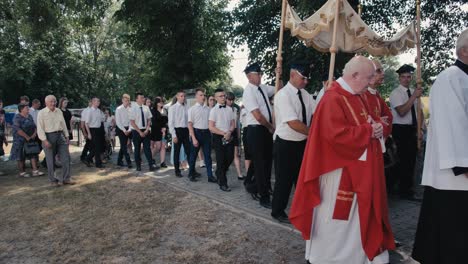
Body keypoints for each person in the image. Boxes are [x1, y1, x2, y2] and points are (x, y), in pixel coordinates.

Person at [289, 56, 395, 264]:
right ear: (354, 76)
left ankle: (355, 255)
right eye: (368, 78)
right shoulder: (333, 98)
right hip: (337, 172)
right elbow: (335, 135)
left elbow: (366, 122)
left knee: (354, 220)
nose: (370, 83)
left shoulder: (357, 95)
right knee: (336, 219)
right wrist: (368, 130)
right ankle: (330, 257)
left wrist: (374, 126)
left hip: (356, 168)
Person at [411, 29, 468, 264]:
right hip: (455, 175)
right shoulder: (451, 78)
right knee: (451, 237)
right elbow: (452, 124)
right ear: (465, 51)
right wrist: (462, 165)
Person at [271, 63, 316, 224]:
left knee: (302, 179)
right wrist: (315, 134)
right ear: (292, 75)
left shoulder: (306, 95)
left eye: (307, 79)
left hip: (302, 142)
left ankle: (302, 210)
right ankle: (277, 211)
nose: (306, 81)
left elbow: (316, 112)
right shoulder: (283, 95)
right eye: (303, 78)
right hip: (285, 143)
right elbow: (293, 123)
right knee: (284, 180)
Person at [242, 62, 277, 208]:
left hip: (265, 129)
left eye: (261, 73)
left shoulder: (262, 88)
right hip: (256, 129)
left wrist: (278, 74)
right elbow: (257, 115)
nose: (261, 76)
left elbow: (278, 89)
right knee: (261, 164)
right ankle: (263, 196)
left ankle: (254, 184)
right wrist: (271, 127)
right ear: (250, 77)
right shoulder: (248, 91)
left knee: (267, 161)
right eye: (258, 74)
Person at [389, 64, 422, 200]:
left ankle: (406, 188)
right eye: (403, 77)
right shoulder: (396, 93)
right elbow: (402, 112)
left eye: (409, 77)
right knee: (403, 160)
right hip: (400, 129)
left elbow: (419, 112)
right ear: (399, 78)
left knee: (411, 159)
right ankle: (403, 190)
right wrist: (413, 97)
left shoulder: (414, 92)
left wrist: (420, 129)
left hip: (412, 128)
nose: (406, 79)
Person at [37, 95, 72, 186]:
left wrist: (67, 136)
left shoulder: (59, 111)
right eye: (51, 102)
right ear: (46, 103)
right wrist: (45, 140)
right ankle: (53, 180)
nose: (53, 103)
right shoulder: (42, 113)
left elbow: (63, 124)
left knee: (66, 157)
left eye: (54, 101)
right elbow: (40, 128)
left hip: (60, 135)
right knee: (50, 160)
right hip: (48, 137)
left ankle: (66, 178)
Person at [209, 88, 235, 191]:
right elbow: (211, 127)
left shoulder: (229, 109)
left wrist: (229, 132)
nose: (223, 97)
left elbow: (233, 124)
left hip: (228, 135)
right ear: (216, 98)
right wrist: (223, 133)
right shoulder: (213, 111)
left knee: (230, 158)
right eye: (220, 96)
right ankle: (223, 183)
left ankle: (219, 172)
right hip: (218, 137)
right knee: (220, 160)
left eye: (224, 96)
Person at [188, 88, 215, 182]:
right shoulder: (192, 109)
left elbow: (210, 123)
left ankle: (210, 176)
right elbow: (190, 125)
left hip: (206, 133)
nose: (203, 97)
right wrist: (194, 138)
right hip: (196, 133)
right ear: (196, 96)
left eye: (203, 95)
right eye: (200, 95)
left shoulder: (208, 109)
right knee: (193, 156)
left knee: (208, 156)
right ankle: (191, 174)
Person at [10, 103, 44, 177]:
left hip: (31, 139)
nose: (28, 109)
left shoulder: (30, 116)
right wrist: (26, 137)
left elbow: (34, 126)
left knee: (33, 154)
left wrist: (34, 134)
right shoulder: (17, 117)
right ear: (21, 109)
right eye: (27, 108)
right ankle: (22, 172)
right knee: (20, 156)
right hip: (20, 140)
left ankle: (35, 171)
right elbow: (18, 129)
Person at [129, 92, 157, 172]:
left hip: (145, 130)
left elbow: (149, 119)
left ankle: (151, 165)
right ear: (137, 99)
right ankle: (138, 166)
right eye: (141, 97)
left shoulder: (146, 108)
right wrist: (140, 132)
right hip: (136, 131)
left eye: (143, 97)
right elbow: (132, 122)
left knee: (147, 149)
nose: (143, 99)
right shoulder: (132, 109)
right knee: (137, 149)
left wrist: (147, 129)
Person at [168, 90, 191, 177]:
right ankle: (177, 171)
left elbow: (189, 120)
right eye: (181, 96)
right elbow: (171, 123)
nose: (183, 97)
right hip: (177, 131)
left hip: (186, 131)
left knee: (189, 151)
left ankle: (192, 170)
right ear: (177, 97)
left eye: (184, 96)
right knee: (176, 152)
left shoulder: (187, 107)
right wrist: (173, 135)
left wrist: (190, 132)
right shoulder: (172, 108)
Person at [226, 92, 244, 180]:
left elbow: (237, 123)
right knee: (226, 154)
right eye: (229, 100)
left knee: (236, 154)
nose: (231, 101)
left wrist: (238, 136)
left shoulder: (236, 108)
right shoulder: (223, 108)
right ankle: (222, 170)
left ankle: (239, 174)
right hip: (226, 132)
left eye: (232, 100)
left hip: (234, 133)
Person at [85, 97, 106, 169]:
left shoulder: (99, 111)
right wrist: (89, 133)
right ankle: (98, 163)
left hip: (98, 130)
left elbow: (103, 119)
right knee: (97, 147)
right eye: (97, 101)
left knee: (98, 147)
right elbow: (86, 123)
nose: (98, 102)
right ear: (93, 102)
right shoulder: (89, 111)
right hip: (92, 130)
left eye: (99, 101)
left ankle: (88, 158)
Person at [115, 94, 133, 168]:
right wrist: (124, 130)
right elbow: (118, 122)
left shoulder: (130, 109)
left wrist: (129, 129)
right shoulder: (118, 109)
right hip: (120, 129)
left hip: (128, 128)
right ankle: (129, 162)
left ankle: (119, 161)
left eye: (128, 100)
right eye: (125, 100)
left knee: (124, 146)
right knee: (124, 146)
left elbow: (131, 120)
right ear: (122, 100)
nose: (126, 102)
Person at [150, 96, 168, 168]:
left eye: (162, 102)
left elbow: (167, 120)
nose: (162, 103)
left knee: (163, 146)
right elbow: (154, 122)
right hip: (156, 131)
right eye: (160, 102)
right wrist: (161, 128)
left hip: (164, 131)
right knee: (158, 147)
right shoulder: (153, 111)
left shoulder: (165, 110)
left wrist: (164, 128)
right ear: (157, 103)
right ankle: (151, 158)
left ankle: (162, 162)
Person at [80, 99, 92, 165]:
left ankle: (86, 156)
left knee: (89, 144)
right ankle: (84, 156)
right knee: (88, 144)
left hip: (92, 129)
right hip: (87, 129)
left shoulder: (94, 110)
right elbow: (82, 123)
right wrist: (84, 132)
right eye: (90, 102)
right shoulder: (85, 111)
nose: (91, 103)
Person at [239, 105, 251, 174]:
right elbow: (241, 121)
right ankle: (248, 174)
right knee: (247, 154)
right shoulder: (243, 110)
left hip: (254, 129)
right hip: (247, 129)